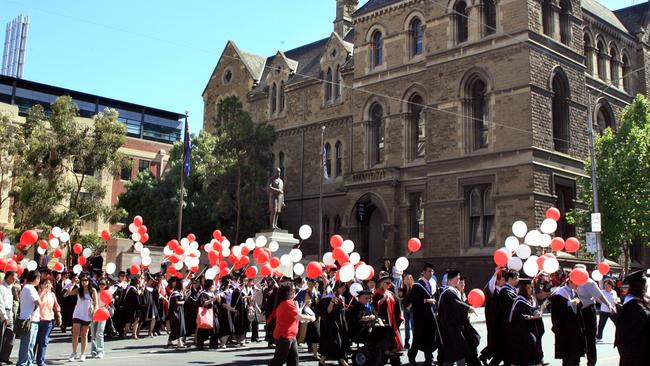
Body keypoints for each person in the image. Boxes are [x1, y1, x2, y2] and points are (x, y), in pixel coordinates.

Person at [574, 264, 614, 366]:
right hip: (576, 313)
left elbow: (600, 295)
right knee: (577, 338)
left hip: (587, 312)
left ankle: (591, 362)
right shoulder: (570, 282)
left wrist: (609, 305)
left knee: (590, 339)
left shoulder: (590, 283)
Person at [269, 282, 315, 366]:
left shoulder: (288, 302)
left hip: (290, 336)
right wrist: (311, 318)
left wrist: (304, 305)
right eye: (293, 290)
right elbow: (298, 316)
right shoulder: (287, 303)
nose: (295, 292)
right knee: (279, 360)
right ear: (288, 292)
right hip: (285, 336)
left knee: (293, 359)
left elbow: (295, 314)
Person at [437, 269, 476, 366]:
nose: (459, 280)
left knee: (454, 354)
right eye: (458, 278)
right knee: (458, 352)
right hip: (450, 327)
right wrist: (468, 307)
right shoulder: (448, 292)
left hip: (452, 326)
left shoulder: (450, 291)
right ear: (452, 279)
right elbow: (456, 303)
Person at [614, 269, 650, 366]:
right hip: (636, 354)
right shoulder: (634, 306)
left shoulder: (636, 303)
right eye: (645, 285)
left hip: (633, 352)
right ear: (640, 287)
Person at [408, 263, 439, 366]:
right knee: (417, 338)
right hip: (420, 317)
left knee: (430, 338)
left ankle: (429, 360)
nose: (431, 273)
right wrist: (426, 300)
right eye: (429, 271)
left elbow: (437, 297)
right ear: (424, 272)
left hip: (431, 316)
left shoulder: (433, 283)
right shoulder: (417, 285)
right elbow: (414, 300)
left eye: (432, 271)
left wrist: (437, 309)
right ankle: (411, 357)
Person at [508, 278, 545, 366]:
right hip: (524, 333)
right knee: (526, 357)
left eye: (531, 287)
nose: (530, 290)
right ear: (523, 289)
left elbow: (535, 311)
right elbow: (519, 316)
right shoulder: (519, 300)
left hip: (534, 330)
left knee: (537, 356)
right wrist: (532, 317)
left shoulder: (532, 299)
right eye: (528, 288)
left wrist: (540, 310)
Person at [550, 277, 585, 366]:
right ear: (570, 281)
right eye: (576, 283)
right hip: (565, 329)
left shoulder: (574, 292)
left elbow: (578, 307)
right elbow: (556, 311)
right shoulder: (560, 293)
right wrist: (570, 303)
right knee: (568, 357)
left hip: (575, 328)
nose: (578, 285)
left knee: (576, 356)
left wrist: (578, 302)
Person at [65, 272, 98, 362]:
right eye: (82, 280)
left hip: (87, 315)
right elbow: (68, 293)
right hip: (77, 314)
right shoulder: (78, 290)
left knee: (84, 335)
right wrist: (73, 283)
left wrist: (94, 314)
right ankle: (74, 353)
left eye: (86, 280)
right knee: (75, 334)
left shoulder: (93, 290)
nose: (84, 282)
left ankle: (83, 354)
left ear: (89, 281)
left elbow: (96, 304)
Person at [318, 281, 349, 366]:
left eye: (344, 288)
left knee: (331, 342)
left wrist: (345, 323)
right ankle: (342, 361)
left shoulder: (342, 298)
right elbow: (327, 311)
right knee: (337, 342)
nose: (344, 289)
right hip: (331, 323)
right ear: (337, 288)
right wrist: (332, 302)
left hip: (340, 322)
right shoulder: (328, 297)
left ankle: (322, 360)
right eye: (342, 288)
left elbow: (342, 312)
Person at [479, 267, 505, 366]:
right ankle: (486, 357)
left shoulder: (503, 290)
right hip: (493, 320)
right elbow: (490, 285)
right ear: (497, 281)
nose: (504, 281)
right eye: (502, 279)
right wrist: (495, 273)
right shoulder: (492, 290)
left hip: (500, 320)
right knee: (495, 341)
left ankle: (484, 356)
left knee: (497, 342)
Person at [16, 271, 42, 366]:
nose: (39, 281)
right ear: (36, 278)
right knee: (27, 344)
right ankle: (23, 363)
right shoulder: (29, 288)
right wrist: (43, 293)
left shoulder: (29, 288)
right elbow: (38, 302)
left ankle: (29, 362)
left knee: (31, 344)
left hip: (32, 319)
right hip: (29, 320)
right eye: (39, 278)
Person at [495, 269, 519, 366]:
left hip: (509, 326)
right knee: (509, 353)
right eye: (516, 278)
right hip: (508, 326)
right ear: (510, 279)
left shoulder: (510, 290)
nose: (517, 280)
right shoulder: (506, 291)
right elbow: (514, 308)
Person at [35, 277, 60, 366]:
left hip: (49, 319)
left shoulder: (52, 294)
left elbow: (56, 306)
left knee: (44, 341)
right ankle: (30, 359)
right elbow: (38, 302)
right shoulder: (38, 293)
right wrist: (43, 292)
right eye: (45, 283)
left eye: (49, 283)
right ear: (40, 284)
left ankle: (40, 360)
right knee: (35, 341)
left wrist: (59, 315)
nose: (48, 285)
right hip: (39, 319)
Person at [196, 279, 220, 350]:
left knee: (215, 328)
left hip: (213, 313)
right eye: (213, 285)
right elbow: (203, 303)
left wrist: (218, 299)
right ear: (209, 285)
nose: (214, 286)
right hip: (206, 314)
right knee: (203, 329)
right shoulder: (203, 293)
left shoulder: (213, 293)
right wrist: (213, 299)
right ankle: (200, 344)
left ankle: (213, 344)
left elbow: (217, 303)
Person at [90, 279, 109, 359]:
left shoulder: (107, 294)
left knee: (100, 333)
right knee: (93, 333)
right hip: (95, 313)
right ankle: (93, 351)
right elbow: (92, 302)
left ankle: (100, 351)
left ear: (106, 285)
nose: (101, 285)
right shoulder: (96, 293)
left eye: (103, 284)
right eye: (100, 283)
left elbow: (109, 303)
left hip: (103, 314)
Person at [0, 271, 16, 364]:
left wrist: (11, 315)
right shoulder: (1, 288)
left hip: (9, 312)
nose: (15, 280)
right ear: (9, 277)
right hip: (3, 312)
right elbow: (1, 303)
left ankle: (5, 357)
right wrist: (4, 315)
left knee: (11, 336)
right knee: (1, 337)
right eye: (14, 277)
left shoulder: (9, 288)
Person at [168, 278, 187, 348]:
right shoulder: (175, 293)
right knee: (178, 326)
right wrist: (184, 301)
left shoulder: (178, 292)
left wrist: (185, 295)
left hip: (178, 311)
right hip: (175, 312)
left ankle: (169, 341)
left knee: (176, 327)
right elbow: (177, 302)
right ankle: (179, 343)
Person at [398, 274, 413, 349]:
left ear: (410, 280)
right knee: (406, 327)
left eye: (407, 279)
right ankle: (407, 343)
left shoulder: (413, 288)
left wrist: (410, 306)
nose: (405, 280)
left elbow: (415, 299)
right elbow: (401, 299)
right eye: (404, 279)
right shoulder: (403, 289)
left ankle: (415, 343)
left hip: (412, 310)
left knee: (413, 327)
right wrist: (400, 297)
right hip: (405, 309)